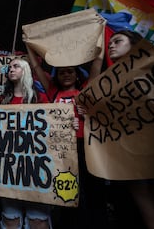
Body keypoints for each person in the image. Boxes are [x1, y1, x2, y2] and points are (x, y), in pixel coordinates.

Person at [91, 29, 154, 229]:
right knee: (153, 221)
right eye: (110, 43)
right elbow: (90, 97)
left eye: (118, 41)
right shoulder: (110, 83)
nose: (111, 45)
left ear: (135, 46)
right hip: (133, 158)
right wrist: (98, 55)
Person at [27, 48, 110, 229]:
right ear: (57, 76)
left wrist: (87, 114)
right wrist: (28, 43)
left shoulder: (86, 89)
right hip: (61, 150)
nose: (66, 75)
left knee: (93, 191)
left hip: (85, 148)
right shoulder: (52, 91)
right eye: (62, 72)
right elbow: (36, 67)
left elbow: (97, 63)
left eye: (70, 71)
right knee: (68, 191)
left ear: (77, 74)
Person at [0, 57, 52, 229]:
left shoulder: (39, 98)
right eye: (10, 67)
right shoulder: (3, 100)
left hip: (35, 167)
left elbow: (53, 126)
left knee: (38, 220)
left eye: (16, 66)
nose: (11, 69)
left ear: (26, 71)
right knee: (10, 219)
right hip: (10, 167)